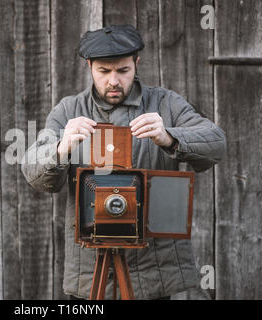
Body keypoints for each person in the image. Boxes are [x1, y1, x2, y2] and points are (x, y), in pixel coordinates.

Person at [21, 25, 226, 300]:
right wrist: (61, 148)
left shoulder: (165, 103)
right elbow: (34, 174)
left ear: (136, 64)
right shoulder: (69, 110)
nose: (114, 81)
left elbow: (216, 143)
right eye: (104, 72)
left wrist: (169, 137)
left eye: (123, 70)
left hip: (153, 270)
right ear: (89, 66)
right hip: (91, 269)